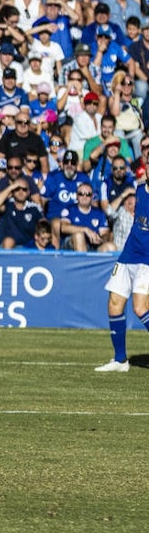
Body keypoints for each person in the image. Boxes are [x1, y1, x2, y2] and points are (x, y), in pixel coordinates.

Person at [98, 144, 149, 371]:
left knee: (140, 308)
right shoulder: (138, 190)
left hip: (147, 260)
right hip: (128, 255)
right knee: (115, 304)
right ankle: (120, 360)